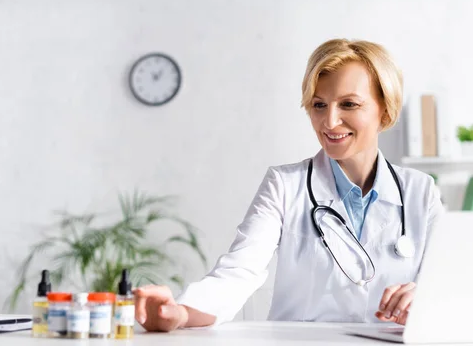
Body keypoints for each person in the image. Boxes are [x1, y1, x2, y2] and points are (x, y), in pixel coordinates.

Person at [134, 38, 444, 332]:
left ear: (385, 110)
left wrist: (428, 297)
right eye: (319, 105)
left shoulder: (421, 192)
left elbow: (449, 285)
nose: (330, 121)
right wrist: (181, 313)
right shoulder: (284, 185)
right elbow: (238, 273)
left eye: (349, 104)